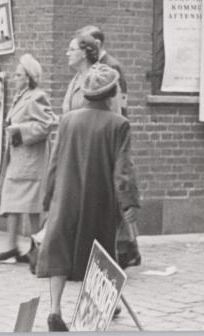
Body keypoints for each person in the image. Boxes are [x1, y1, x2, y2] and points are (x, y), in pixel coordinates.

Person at [36, 64, 140, 332]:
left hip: (66, 197)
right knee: (101, 253)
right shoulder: (119, 124)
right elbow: (123, 168)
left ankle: (55, 309)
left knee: (60, 252)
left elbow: (55, 162)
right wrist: (127, 201)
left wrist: (48, 197)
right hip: (99, 200)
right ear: (111, 94)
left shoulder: (68, 120)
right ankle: (93, 315)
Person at [77, 24, 141, 269]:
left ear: (98, 43)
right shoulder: (92, 69)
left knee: (117, 195)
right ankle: (126, 247)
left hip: (111, 135)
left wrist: (115, 127)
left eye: (87, 43)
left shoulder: (110, 67)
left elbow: (119, 102)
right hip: (104, 133)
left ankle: (127, 248)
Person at [0, 54, 58, 263]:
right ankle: (12, 246)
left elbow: (47, 124)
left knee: (31, 207)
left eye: (19, 74)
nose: (15, 77)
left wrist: (19, 130)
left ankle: (35, 248)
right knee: (11, 201)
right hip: (17, 160)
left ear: (29, 77)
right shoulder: (21, 96)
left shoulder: (37, 96)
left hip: (30, 161)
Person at [61, 33, 121, 115]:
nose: (67, 54)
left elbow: (114, 113)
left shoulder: (103, 77)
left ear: (84, 53)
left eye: (72, 49)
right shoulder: (75, 80)